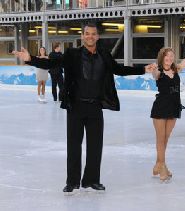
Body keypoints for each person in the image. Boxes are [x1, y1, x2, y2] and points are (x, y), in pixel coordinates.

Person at [13, 23, 155, 193]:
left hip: (95, 106)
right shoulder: (72, 54)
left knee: (95, 146)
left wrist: (142, 69)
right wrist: (30, 59)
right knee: (74, 146)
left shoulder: (104, 55)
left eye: (93, 34)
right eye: (87, 34)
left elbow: (119, 69)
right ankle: (72, 182)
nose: (90, 36)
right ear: (82, 36)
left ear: (97, 37)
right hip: (76, 106)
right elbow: (52, 63)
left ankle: (92, 180)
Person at [150, 32, 185, 181]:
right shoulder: (159, 72)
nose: (169, 59)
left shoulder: (177, 69)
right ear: (162, 58)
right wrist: (153, 68)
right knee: (160, 139)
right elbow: (154, 74)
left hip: (174, 107)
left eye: (171, 56)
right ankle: (163, 168)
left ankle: (158, 164)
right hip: (160, 108)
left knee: (166, 139)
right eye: (166, 57)